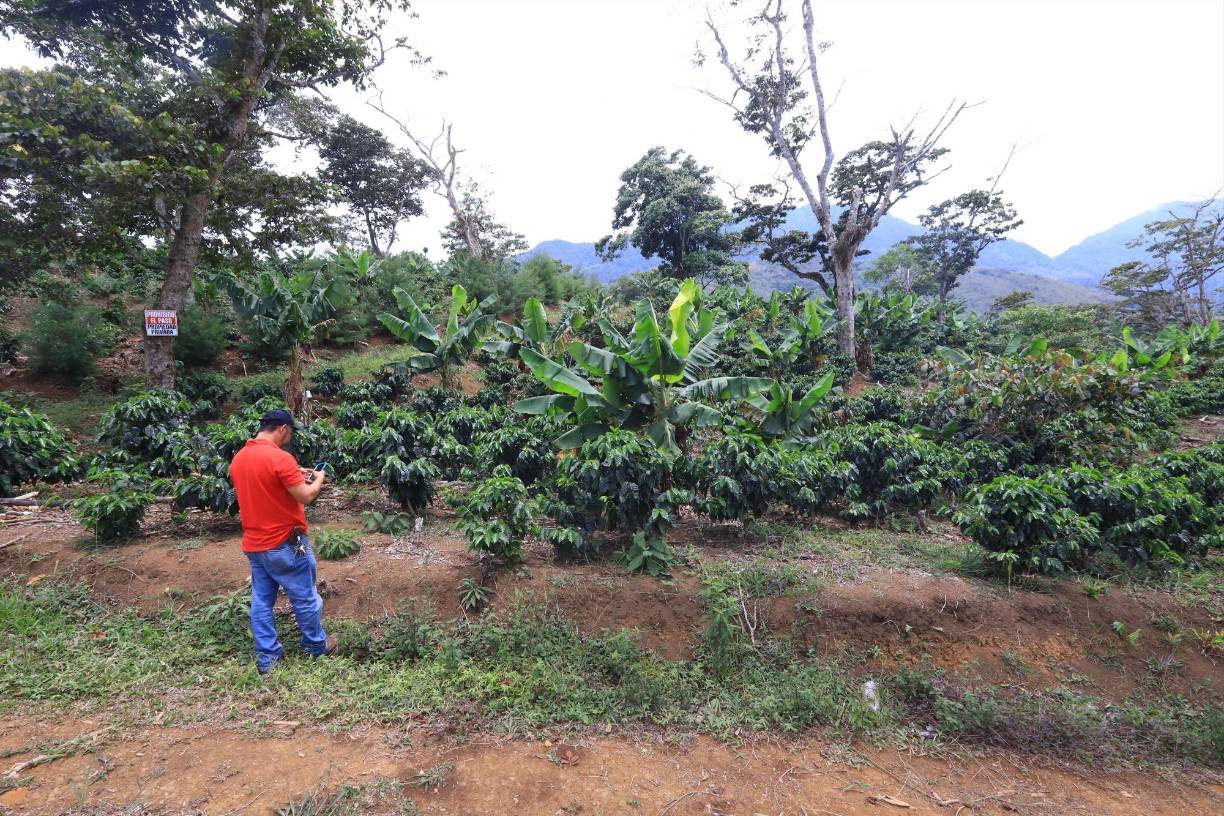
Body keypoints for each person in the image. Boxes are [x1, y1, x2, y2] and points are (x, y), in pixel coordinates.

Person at [229, 408, 334, 674]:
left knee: (262, 601)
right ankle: (316, 646)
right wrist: (319, 479)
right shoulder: (280, 458)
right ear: (283, 429)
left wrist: (295, 473)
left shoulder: (239, 459)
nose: (290, 438)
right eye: (290, 433)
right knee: (305, 596)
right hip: (287, 543)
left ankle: (268, 656)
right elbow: (305, 496)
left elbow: (265, 485)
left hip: (255, 544)